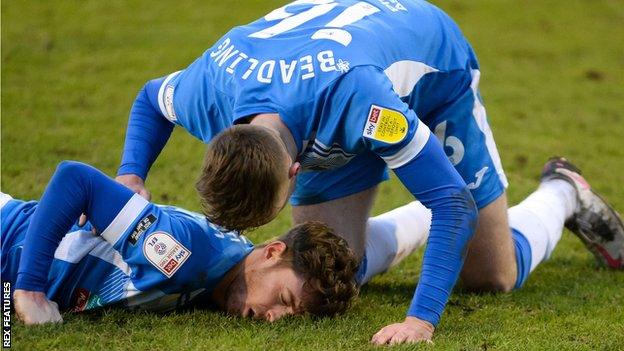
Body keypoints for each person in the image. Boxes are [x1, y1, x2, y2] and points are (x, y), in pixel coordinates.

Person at [112, 0, 623, 344]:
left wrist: (419, 320)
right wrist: (131, 175)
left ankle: (563, 192)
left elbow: (452, 201)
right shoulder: (209, 90)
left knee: (491, 274)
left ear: (293, 170)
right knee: (336, 268)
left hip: (429, 73)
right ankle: (420, 223)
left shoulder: (361, 102)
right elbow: (150, 99)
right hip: (321, 93)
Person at [0, 161, 359, 325]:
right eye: (284, 300)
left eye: (290, 317)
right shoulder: (185, 251)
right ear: (272, 252)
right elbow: (74, 179)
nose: (274, 319)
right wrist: (30, 290)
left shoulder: (228, 264)